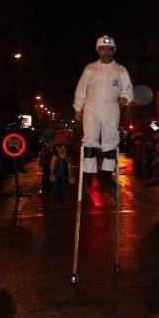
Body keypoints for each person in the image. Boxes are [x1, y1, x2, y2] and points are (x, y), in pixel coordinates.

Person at [73, 35, 133, 189]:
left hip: (111, 110)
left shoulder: (121, 70)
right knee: (90, 141)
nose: (106, 52)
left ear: (114, 51)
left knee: (110, 142)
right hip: (91, 109)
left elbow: (128, 89)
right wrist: (78, 108)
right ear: (98, 51)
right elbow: (81, 90)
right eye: (103, 49)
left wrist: (125, 98)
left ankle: (106, 175)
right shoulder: (90, 68)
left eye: (109, 49)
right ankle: (88, 175)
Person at [49, 140, 74, 205]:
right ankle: (55, 198)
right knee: (55, 187)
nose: (63, 149)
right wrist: (51, 173)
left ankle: (61, 199)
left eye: (65, 147)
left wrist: (70, 175)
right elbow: (52, 164)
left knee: (63, 187)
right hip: (56, 174)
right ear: (56, 148)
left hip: (64, 174)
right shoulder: (55, 156)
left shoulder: (68, 157)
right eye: (60, 147)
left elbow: (69, 165)